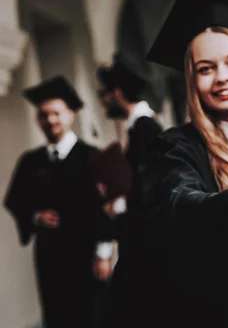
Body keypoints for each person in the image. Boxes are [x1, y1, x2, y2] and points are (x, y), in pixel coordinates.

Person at [105, 0, 228, 328]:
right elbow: (180, 202)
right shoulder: (175, 145)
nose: (222, 77)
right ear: (192, 81)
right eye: (205, 68)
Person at [4, 75, 113, 328]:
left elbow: (109, 205)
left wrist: (104, 252)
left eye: (55, 113)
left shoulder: (93, 156)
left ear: (70, 115)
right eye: (43, 115)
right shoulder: (30, 161)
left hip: (86, 252)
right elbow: (15, 199)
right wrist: (34, 216)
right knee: (57, 315)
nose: (49, 120)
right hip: (50, 254)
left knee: (92, 315)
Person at [96, 51, 164, 326]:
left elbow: (153, 186)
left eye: (106, 93)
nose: (104, 99)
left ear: (118, 92)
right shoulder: (134, 128)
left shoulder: (147, 129)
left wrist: (121, 202)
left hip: (146, 238)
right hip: (133, 233)